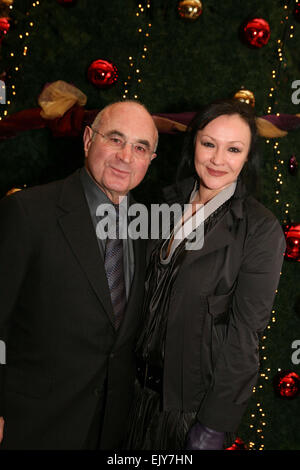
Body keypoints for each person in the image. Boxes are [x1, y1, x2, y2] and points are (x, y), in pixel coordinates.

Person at [125, 98, 286, 450]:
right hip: (132, 394)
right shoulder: (165, 204)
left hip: (187, 412)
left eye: (233, 149)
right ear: (193, 142)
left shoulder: (260, 230)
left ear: (247, 158)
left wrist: (215, 422)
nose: (217, 159)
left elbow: (246, 336)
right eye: (209, 143)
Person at [0, 100, 158, 449]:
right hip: (33, 425)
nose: (126, 157)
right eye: (115, 139)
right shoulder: (28, 212)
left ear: (150, 160)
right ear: (88, 140)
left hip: (111, 430)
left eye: (140, 147)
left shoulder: (148, 228)